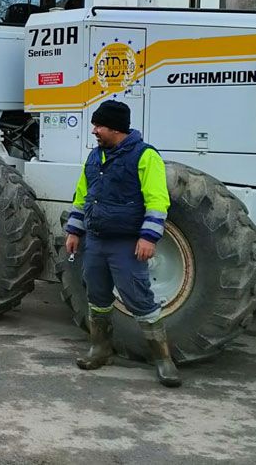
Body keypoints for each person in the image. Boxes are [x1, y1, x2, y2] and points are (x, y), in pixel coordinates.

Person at [63, 100, 181, 387]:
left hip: (126, 244)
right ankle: (100, 349)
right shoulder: (95, 158)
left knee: (139, 298)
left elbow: (157, 200)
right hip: (96, 241)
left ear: (115, 128)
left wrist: (148, 237)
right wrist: (74, 231)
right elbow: (83, 196)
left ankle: (163, 360)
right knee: (97, 296)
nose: (94, 130)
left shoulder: (145, 156)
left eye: (99, 125)